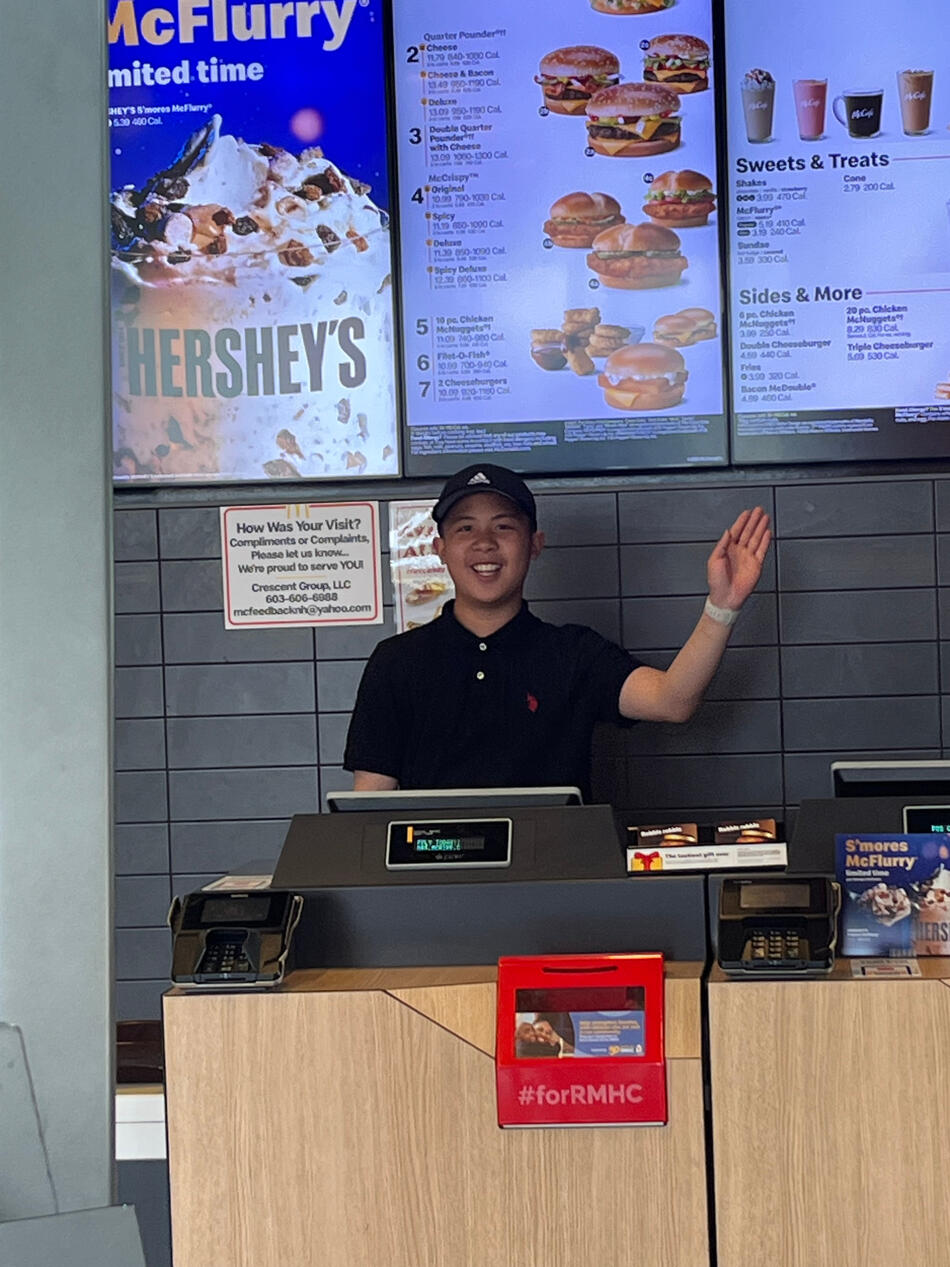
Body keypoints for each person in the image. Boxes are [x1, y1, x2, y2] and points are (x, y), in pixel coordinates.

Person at [344, 463, 771, 800]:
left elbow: (672, 700)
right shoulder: (396, 662)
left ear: (535, 544)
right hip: (429, 892)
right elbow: (368, 805)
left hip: (560, 885)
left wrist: (723, 605)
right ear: (440, 550)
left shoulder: (573, 654)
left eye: (504, 526)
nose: (485, 542)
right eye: (465, 528)